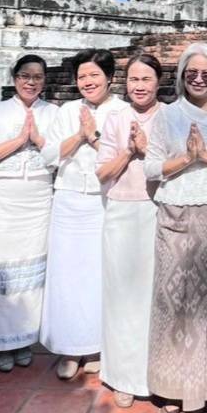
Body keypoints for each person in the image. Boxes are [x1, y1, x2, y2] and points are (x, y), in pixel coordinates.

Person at [144, 42, 207, 413]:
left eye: (206, 73)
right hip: (172, 213)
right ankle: (169, 392)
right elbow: (151, 166)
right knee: (170, 303)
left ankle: (198, 396)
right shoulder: (167, 115)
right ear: (181, 76)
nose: (198, 78)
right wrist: (188, 159)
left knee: (204, 307)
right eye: (191, 72)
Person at [0, 54, 57, 371]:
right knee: (0, 270)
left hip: (39, 197)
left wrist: (38, 139)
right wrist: (19, 140)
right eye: (25, 75)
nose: (31, 82)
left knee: (32, 272)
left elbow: (61, 157)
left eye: (38, 77)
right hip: (3, 197)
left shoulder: (54, 113)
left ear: (45, 81)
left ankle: (23, 338)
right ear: (15, 78)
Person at [41, 49, 126, 380]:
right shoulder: (68, 111)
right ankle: (69, 348)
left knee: (98, 275)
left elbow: (122, 156)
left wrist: (93, 137)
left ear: (110, 78)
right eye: (82, 77)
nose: (88, 82)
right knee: (67, 277)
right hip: (68, 198)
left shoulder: (122, 110)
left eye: (94, 75)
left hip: (105, 201)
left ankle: (96, 346)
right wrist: (79, 134)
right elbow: (49, 155)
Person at [96, 51, 163, 409]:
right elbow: (102, 172)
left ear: (158, 82)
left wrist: (148, 150)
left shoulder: (169, 117)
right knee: (121, 296)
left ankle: (151, 373)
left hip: (156, 211)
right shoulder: (115, 118)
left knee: (150, 296)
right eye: (134, 79)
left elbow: (173, 166)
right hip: (121, 211)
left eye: (146, 79)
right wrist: (129, 152)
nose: (139, 86)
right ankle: (122, 376)